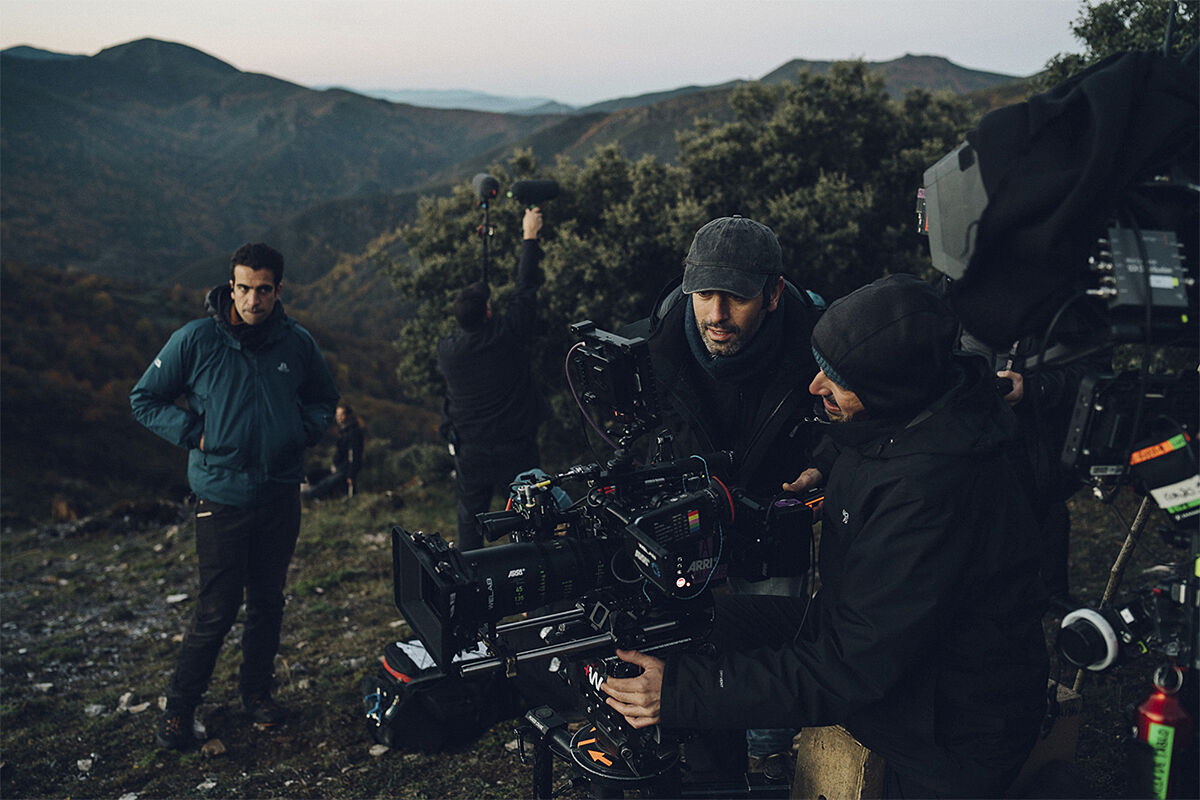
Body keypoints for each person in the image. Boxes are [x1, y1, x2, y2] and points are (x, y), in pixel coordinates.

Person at [602, 275, 1049, 798]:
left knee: (693, 684)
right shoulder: (928, 401)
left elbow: (852, 669)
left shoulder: (933, 491)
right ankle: (711, 779)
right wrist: (823, 469)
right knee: (693, 623)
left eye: (837, 380)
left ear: (887, 389)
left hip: (947, 723)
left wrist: (681, 694)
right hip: (868, 637)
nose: (815, 386)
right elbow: (875, 444)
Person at [623, 215, 823, 775]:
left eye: (734, 297)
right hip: (686, 531)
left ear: (774, 292)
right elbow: (628, 435)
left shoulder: (821, 341)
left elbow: (849, 417)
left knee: (778, 642)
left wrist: (820, 468)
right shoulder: (649, 349)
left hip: (774, 524)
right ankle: (709, 759)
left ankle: (771, 758)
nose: (715, 315)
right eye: (703, 295)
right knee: (692, 644)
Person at [130, 242, 339, 750]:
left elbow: (323, 399)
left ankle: (257, 694)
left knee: (268, 602)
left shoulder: (296, 342)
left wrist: (301, 432)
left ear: (278, 290)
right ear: (231, 285)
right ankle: (180, 710)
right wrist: (195, 434)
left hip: (279, 493)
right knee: (217, 609)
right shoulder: (197, 340)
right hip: (221, 496)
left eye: (262, 289)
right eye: (242, 287)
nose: (251, 299)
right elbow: (145, 398)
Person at [437, 206, 549, 551]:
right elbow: (525, 287)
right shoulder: (508, 334)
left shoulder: (448, 351)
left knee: (470, 519)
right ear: (488, 312)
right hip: (515, 447)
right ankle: (536, 584)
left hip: (471, 450)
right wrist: (530, 235)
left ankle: (471, 581)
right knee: (531, 517)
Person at [303, 403, 365, 500]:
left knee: (322, 486)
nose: (339, 418)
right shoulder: (344, 432)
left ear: (348, 415)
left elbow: (354, 455)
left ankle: (305, 498)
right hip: (338, 468)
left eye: (341, 415)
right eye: (337, 415)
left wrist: (351, 474)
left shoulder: (354, 433)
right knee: (313, 476)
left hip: (344, 470)